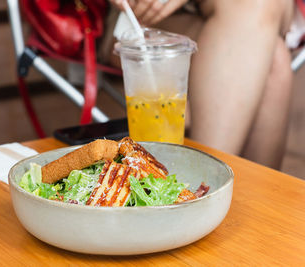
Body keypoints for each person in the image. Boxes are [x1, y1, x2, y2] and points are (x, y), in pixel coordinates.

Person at [107, 0, 295, 169]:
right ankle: (209, 186)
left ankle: (203, 185)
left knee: (258, 10)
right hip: (137, 20)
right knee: (274, 58)